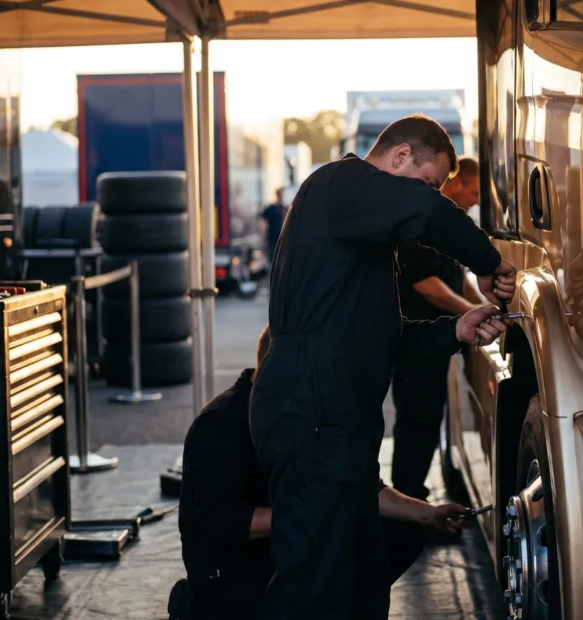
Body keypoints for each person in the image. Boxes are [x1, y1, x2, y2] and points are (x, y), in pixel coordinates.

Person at [249, 114, 516, 620]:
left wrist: (453, 332)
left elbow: (381, 338)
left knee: (363, 577)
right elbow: (426, 214)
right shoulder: (339, 184)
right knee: (312, 584)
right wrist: (487, 261)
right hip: (310, 410)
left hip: (339, 419)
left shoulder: (361, 237)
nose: (436, 195)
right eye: (431, 183)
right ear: (398, 157)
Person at [174, 327, 468, 620]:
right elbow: (222, 521)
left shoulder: (306, 408)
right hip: (234, 563)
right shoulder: (220, 425)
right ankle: (198, 607)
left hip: (296, 539)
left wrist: (429, 514)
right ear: (272, 371)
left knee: (400, 532)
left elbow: (361, 486)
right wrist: (315, 517)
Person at [391, 156, 488, 501]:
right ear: (457, 182)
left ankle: (412, 497)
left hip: (436, 338)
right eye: (475, 192)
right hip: (414, 338)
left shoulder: (449, 222)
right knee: (416, 423)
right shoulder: (421, 221)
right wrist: (471, 314)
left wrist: (482, 307)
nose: (478, 201)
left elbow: (454, 277)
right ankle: (408, 504)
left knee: (429, 421)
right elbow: (426, 283)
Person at [258, 188, 288, 265]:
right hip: (273, 238)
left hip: (283, 238)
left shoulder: (285, 208)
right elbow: (263, 223)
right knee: (273, 259)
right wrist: (263, 238)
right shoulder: (271, 208)